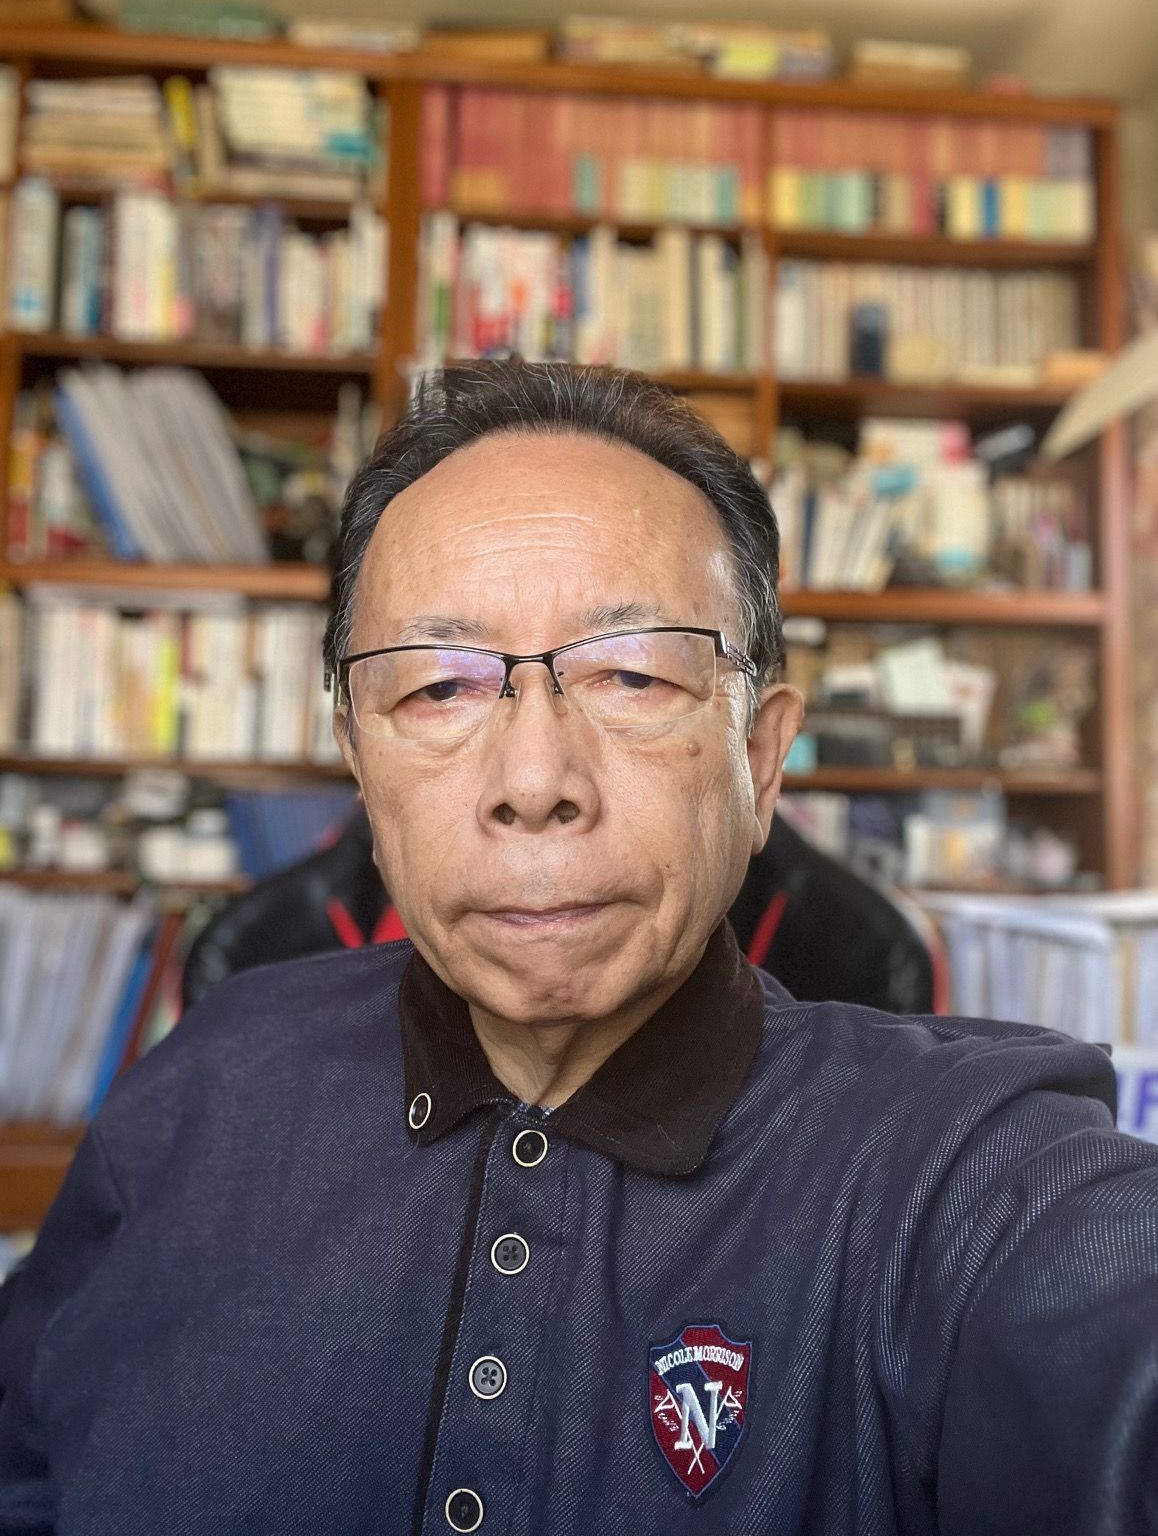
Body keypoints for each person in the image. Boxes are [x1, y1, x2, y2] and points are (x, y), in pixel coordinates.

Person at [1, 362, 1156, 1536]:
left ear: (762, 760)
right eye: (439, 688)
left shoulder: (959, 1170)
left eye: (631, 672)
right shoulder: (203, 1084)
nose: (534, 778)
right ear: (358, 761)